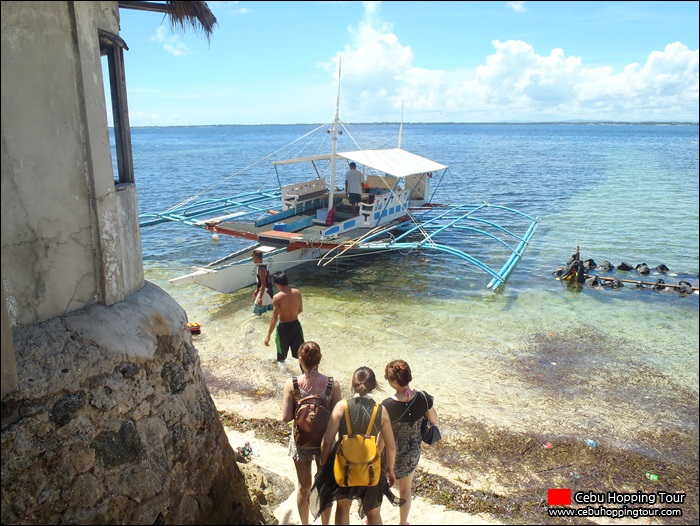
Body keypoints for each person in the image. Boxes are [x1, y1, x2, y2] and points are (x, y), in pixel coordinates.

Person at [309, 366, 403, 525]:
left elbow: (327, 441)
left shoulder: (342, 406)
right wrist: (390, 469)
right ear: (374, 386)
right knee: (373, 513)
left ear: (353, 385)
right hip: (371, 467)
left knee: (343, 508)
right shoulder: (381, 410)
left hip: (345, 466)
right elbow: (391, 446)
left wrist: (324, 465)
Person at [281, 342, 342, 525]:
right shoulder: (332, 384)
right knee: (325, 486)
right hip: (326, 441)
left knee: (303, 487)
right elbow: (337, 418)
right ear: (319, 358)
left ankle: (306, 524)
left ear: (300, 360)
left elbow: (286, 417)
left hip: (301, 442)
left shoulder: (292, 384)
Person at [381, 359, 438, 526]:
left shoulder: (387, 405)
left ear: (392, 381)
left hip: (390, 457)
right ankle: (403, 522)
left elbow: (382, 438)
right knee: (405, 490)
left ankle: (374, 519)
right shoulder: (423, 397)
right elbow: (434, 420)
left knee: (379, 488)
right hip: (412, 454)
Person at [264, 271, 304, 365]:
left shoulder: (277, 297)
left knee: (281, 357)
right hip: (295, 326)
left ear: (277, 284)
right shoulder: (297, 293)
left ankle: (283, 376)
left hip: (283, 328)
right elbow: (300, 310)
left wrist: (268, 336)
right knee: (301, 355)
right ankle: (305, 375)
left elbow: (274, 318)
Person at [251, 249, 274, 315]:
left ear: (260, 259)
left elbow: (263, 284)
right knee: (268, 311)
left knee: (256, 314)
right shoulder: (265, 266)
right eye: (253, 259)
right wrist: (257, 290)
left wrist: (260, 298)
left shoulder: (261, 270)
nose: (254, 261)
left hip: (264, 293)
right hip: (268, 292)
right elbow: (262, 282)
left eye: (256, 259)